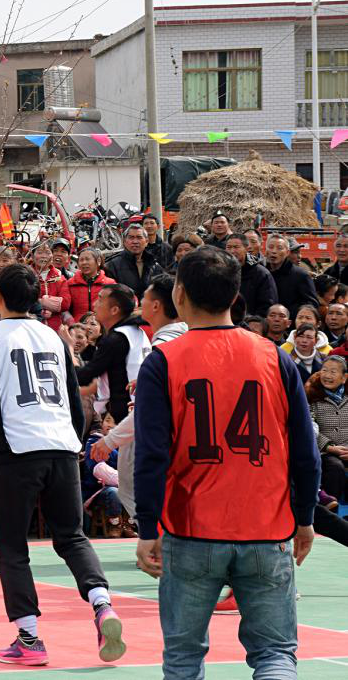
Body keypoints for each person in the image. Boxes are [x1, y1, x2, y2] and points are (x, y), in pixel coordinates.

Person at [133, 247, 320, 680]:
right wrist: (305, 517)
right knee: (275, 655)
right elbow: (304, 449)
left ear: (179, 294)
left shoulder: (164, 361)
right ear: (237, 295)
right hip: (266, 525)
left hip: (192, 527)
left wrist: (146, 528)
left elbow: (151, 457)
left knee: (182, 659)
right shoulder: (275, 357)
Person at [0, 263, 124, 667]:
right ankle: (102, 602)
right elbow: (75, 400)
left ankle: (29, 638)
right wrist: (74, 442)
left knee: (11, 545)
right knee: (72, 537)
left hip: (18, 452)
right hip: (60, 446)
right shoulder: (53, 336)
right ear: (37, 298)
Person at [89, 274, 184, 521]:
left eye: (144, 299)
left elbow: (150, 405)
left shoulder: (162, 342)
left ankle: (158, 539)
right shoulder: (171, 336)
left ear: (155, 306)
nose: (139, 305)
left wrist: (110, 441)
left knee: (135, 486)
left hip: (156, 427)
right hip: (164, 425)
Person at [76, 284, 149, 423]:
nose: (94, 304)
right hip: (140, 408)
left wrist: (68, 352)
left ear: (114, 310)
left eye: (100, 299)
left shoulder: (116, 339)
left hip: (130, 414)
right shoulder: (136, 331)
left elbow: (85, 376)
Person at [307, 354, 348, 505]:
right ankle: (330, 512)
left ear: (344, 378)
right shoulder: (312, 397)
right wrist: (330, 447)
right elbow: (309, 429)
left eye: (333, 371)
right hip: (325, 452)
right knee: (335, 468)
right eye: (324, 370)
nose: (327, 375)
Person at [225, 233, 278, 318]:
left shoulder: (261, 274)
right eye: (229, 247)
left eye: (236, 247)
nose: (232, 251)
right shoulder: (221, 272)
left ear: (246, 249)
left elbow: (267, 306)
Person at [266, 234, 318, 317]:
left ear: (287, 252)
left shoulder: (301, 276)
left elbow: (311, 305)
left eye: (279, 248)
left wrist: (287, 314)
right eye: (271, 247)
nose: (274, 251)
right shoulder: (262, 273)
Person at [105, 224, 160, 299]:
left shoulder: (153, 264)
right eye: (131, 238)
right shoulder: (112, 265)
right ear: (124, 241)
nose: (135, 241)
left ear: (146, 241)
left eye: (139, 237)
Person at [64, 247, 113, 324]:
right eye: (81, 260)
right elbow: (64, 308)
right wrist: (71, 322)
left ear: (98, 261)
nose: (84, 263)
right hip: (78, 328)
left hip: (101, 327)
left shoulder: (109, 283)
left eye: (87, 259)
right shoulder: (71, 284)